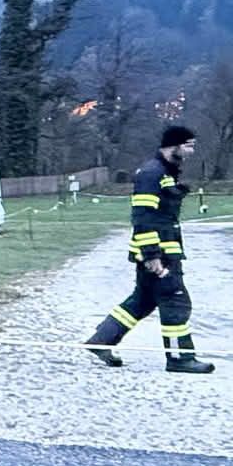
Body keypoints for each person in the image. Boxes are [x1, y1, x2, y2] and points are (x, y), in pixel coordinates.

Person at [82, 125, 216, 374]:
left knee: (142, 300)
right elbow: (143, 217)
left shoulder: (164, 172)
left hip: (162, 251)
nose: (191, 151)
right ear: (173, 146)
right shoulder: (152, 174)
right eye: (188, 146)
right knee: (176, 302)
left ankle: (101, 341)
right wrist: (152, 256)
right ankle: (179, 358)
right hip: (158, 254)